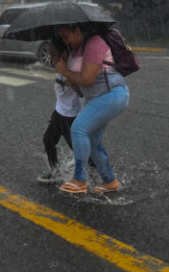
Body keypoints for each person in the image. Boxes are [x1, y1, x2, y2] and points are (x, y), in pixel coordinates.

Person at [54, 23, 129, 194]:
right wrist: (72, 82)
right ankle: (109, 181)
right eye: (62, 38)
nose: (65, 41)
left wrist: (66, 72)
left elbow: (87, 79)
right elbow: (82, 89)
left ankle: (79, 179)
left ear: (78, 31)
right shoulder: (75, 51)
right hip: (96, 98)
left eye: (67, 36)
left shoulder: (95, 44)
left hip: (112, 95)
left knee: (78, 129)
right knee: (93, 142)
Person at [37, 36, 84, 184]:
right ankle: (55, 172)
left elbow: (83, 92)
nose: (51, 59)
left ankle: (101, 172)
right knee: (48, 140)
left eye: (54, 55)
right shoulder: (60, 64)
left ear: (64, 53)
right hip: (59, 112)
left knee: (79, 149)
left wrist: (72, 82)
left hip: (71, 116)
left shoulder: (73, 65)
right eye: (50, 55)